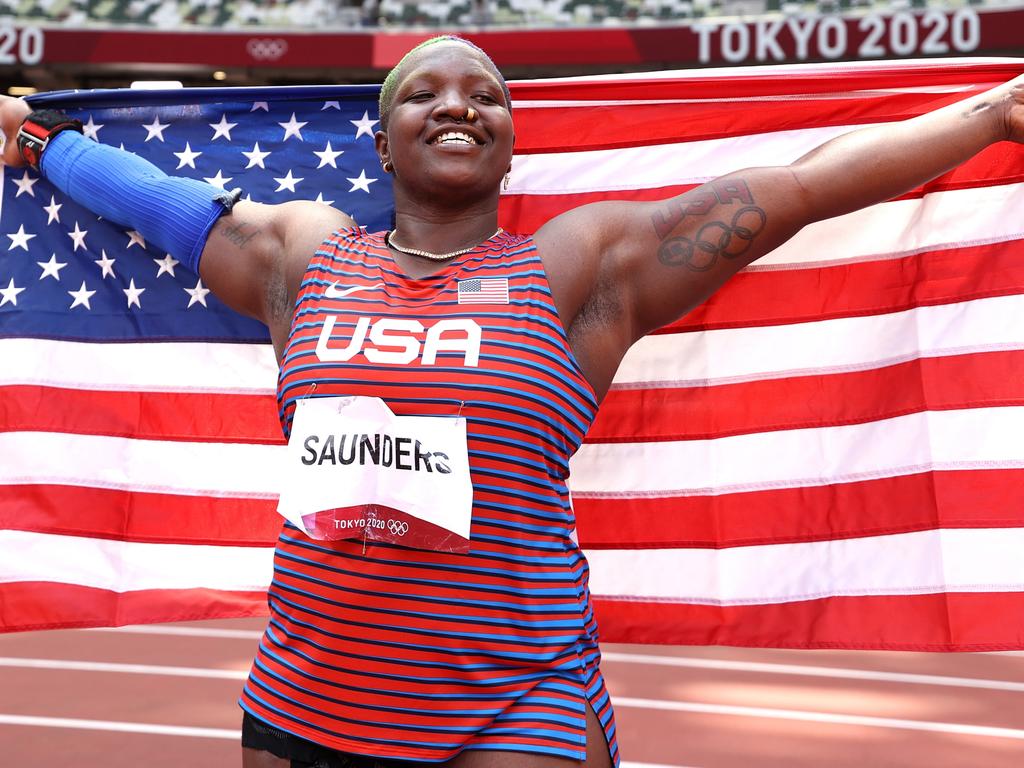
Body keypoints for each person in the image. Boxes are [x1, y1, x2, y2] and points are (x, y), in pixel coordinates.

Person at [2, 35, 1022, 768]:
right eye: (422, 93)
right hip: (306, 698)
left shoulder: (580, 268)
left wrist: (990, 115)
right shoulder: (304, 255)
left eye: (484, 93)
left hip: (514, 706)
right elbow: (163, 207)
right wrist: (37, 142)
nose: (456, 103)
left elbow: (798, 188)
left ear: (507, 140)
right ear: (384, 146)